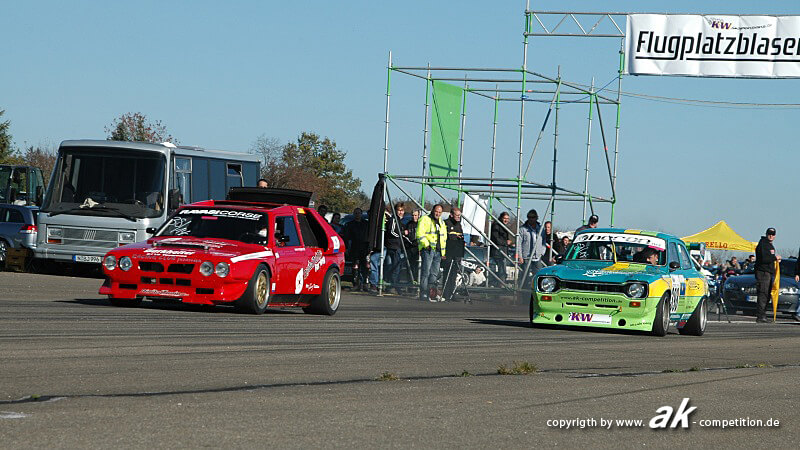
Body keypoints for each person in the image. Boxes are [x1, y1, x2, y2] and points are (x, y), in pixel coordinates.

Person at [416, 204, 447, 302]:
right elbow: (420, 233)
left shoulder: (441, 222)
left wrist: (443, 252)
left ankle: (431, 293)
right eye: (436, 211)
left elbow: (443, 238)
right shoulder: (425, 219)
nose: (437, 213)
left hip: (438, 251)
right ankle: (424, 293)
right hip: (428, 250)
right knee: (426, 272)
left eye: (439, 212)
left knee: (434, 274)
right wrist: (426, 245)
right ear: (432, 211)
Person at [754, 227, 780, 323]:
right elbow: (764, 258)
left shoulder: (769, 245)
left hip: (768, 272)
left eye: (773, 234)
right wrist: (774, 258)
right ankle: (760, 315)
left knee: (767, 293)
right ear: (766, 234)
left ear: (775, 236)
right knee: (763, 293)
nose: (771, 236)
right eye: (769, 234)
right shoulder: (763, 244)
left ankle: (763, 313)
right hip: (763, 272)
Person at [517, 209, 547, 289]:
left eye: (533, 217)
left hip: (537, 257)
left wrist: (542, 252)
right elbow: (519, 243)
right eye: (529, 217)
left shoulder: (540, 229)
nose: (531, 219)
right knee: (525, 276)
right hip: (526, 257)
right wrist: (520, 256)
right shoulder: (522, 229)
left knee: (538, 275)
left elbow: (544, 241)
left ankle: (537, 290)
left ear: (536, 218)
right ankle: (524, 291)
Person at [442, 207, 465, 302]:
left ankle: (452, 293)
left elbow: (461, 235)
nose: (458, 217)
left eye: (459, 215)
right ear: (451, 215)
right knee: (447, 273)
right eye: (457, 215)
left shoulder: (459, 224)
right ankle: (445, 293)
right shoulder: (446, 223)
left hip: (457, 252)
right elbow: (446, 236)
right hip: (448, 251)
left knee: (454, 274)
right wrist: (455, 236)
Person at [382, 202, 408, 287]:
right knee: (395, 266)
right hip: (393, 246)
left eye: (402, 210)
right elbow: (392, 232)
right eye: (399, 210)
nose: (400, 212)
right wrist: (402, 234)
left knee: (393, 266)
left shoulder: (400, 221)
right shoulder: (393, 220)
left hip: (397, 246)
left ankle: (390, 283)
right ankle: (393, 284)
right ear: (395, 211)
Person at [344, 207, 369, 290]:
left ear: (361, 214)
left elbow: (369, 236)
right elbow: (347, 237)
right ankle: (355, 284)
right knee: (355, 266)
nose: (357, 215)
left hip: (364, 248)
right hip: (354, 248)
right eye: (356, 213)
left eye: (359, 213)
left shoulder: (366, 224)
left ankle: (365, 283)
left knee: (365, 266)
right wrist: (347, 248)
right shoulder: (350, 224)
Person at [490, 212, 512, 286]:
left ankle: (501, 283)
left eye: (507, 219)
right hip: (498, 251)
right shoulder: (496, 225)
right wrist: (505, 242)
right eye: (505, 218)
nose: (506, 220)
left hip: (502, 251)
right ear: (501, 218)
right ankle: (501, 284)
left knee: (502, 268)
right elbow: (495, 238)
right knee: (501, 268)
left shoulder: (503, 226)